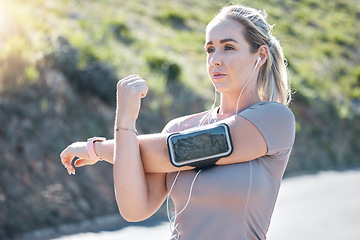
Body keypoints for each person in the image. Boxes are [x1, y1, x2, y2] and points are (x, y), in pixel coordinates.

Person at [60, 4, 295, 240]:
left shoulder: (274, 119)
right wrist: (124, 122)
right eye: (210, 49)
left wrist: (97, 149)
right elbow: (134, 209)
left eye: (229, 47)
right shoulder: (179, 128)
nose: (215, 60)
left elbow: (176, 152)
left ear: (261, 55)